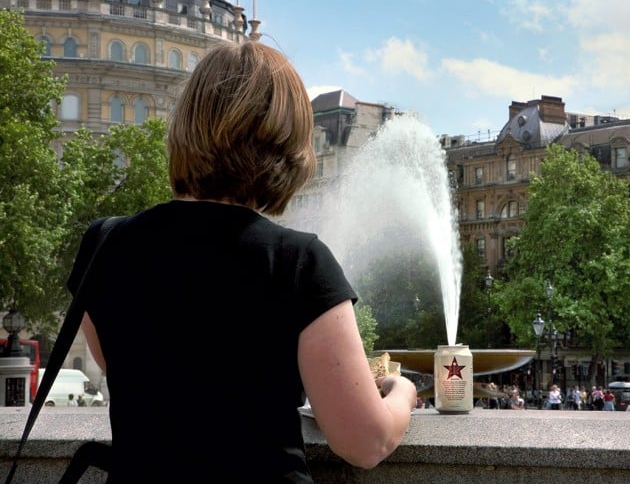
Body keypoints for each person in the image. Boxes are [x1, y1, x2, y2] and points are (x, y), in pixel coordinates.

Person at [70, 41, 417, 482]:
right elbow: (365, 441)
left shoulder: (104, 245)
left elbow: (134, 371)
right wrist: (402, 392)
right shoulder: (297, 262)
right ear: (287, 143)